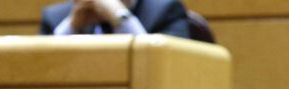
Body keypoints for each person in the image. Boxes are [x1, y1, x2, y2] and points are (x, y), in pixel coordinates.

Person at [40, 0, 190, 38]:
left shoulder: (167, 10)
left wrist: (121, 17)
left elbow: (168, 68)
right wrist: (71, 26)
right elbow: (39, 72)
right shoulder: (55, 17)